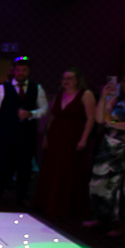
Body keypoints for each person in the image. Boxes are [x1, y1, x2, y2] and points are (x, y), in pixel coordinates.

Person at [83, 69, 125, 237]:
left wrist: (114, 124)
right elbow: (100, 119)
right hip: (109, 149)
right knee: (99, 184)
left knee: (123, 188)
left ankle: (120, 223)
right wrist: (103, 98)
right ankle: (101, 218)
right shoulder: (115, 100)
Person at [0, 56, 48, 207]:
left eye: (24, 70)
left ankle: (22, 196)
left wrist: (31, 114)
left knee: (24, 166)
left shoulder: (36, 88)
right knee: (1, 165)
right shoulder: (2, 88)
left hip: (27, 134)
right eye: (18, 70)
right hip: (5, 133)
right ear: (13, 71)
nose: (20, 73)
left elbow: (44, 109)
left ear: (28, 71)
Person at [33, 68, 95, 216]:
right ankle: (50, 202)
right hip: (56, 136)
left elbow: (90, 118)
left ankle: (67, 205)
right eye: (64, 79)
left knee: (69, 169)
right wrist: (46, 136)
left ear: (78, 80)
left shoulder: (85, 94)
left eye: (70, 78)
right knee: (53, 169)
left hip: (73, 137)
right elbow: (51, 118)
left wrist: (84, 139)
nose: (66, 81)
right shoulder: (59, 95)